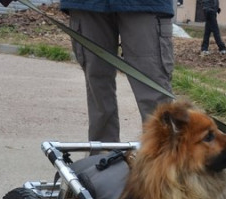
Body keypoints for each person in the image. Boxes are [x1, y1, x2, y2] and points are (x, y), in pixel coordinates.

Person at [60, 0, 175, 143]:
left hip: (146, 5)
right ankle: (104, 156)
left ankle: (164, 158)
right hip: (87, 5)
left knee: (153, 88)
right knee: (97, 85)